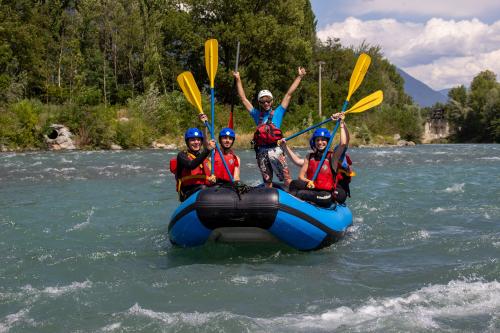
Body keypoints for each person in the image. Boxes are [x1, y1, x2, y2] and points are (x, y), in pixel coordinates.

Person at [233, 67, 306, 188]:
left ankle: (295, 197)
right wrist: (238, 79)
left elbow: (289, 94)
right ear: (259, 103)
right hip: (262, 152)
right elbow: (243, 99)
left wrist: (299, 76)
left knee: (287, 180)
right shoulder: (257, 114)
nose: (266, 103)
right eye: (263, 101)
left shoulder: (278, 112)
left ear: (272, 101)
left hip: (276, 151)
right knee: (268, 182)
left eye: (268, 101)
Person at [285, 113, 350, 207]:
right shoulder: (309, 156)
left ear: (328, 142)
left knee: (302, 194)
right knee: (294, 183)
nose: (320, 142)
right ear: (314, 142)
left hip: (326, 194)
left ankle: (302, 202)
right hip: (313, 188)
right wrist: (309, 182)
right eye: (317, 140)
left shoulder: (333, 157)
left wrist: (342, 123)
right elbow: (301, 177)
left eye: (323, 140)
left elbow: (343, 143)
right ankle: (291, 206)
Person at [170, 122, 216, 202]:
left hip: (204, 191)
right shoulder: (182, 155)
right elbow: (191, 165)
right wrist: (207, 149)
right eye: (192, 140)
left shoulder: (205, 158)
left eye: (198, 140)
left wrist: (214, 180)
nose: (196, 142)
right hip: (188, 193)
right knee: (203, 189)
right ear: (187, 142)